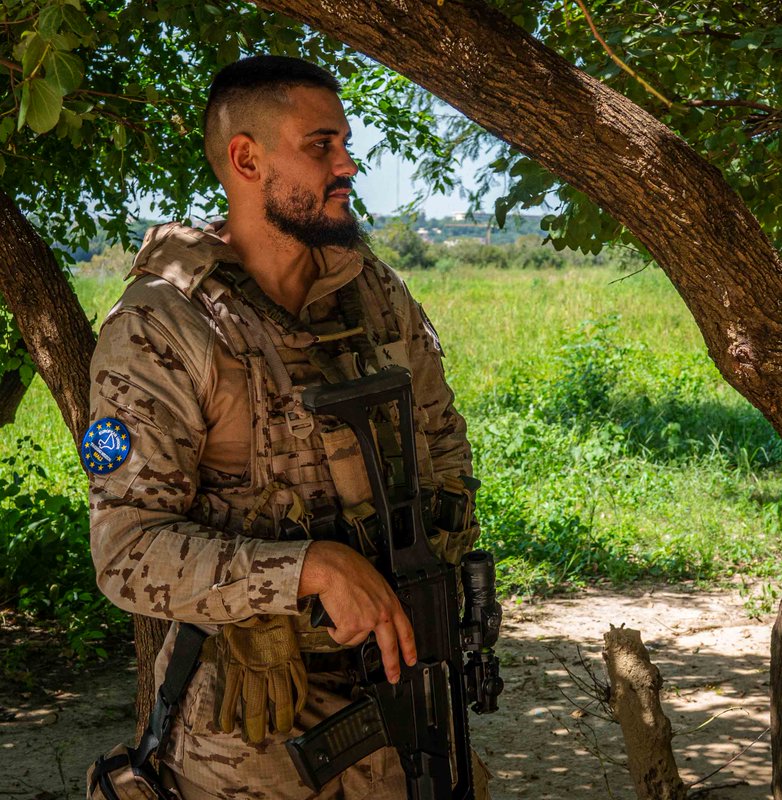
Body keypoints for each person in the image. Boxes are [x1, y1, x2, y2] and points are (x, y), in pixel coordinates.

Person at [86, 55, 487, 799]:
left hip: (406, 696)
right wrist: (312, 570)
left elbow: (442, 447)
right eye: (321, 146)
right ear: (247, 160)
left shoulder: (372, 292)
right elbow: (127, 552)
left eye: (345, 145)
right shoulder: (164, 326)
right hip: (251, 732)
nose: (348, 166)